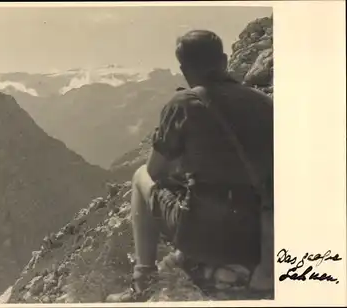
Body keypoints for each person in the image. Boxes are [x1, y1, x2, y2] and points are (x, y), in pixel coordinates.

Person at [106, 30, 273, 302]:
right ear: (224, 60)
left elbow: (153, 171)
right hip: (255, 233)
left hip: (202, 231)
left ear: (184, 69)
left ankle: (143, 278)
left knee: (139, 177)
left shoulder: (184, 103)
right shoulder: (266, 104)